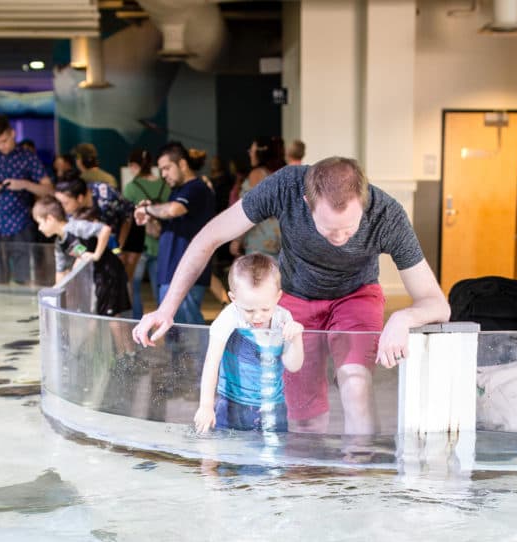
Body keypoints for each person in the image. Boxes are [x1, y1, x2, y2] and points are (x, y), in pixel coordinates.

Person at [133, 155, 450, 434]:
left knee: (355, 385)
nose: (339, 238)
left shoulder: (387, 215)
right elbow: (210, 236)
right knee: (304, 414)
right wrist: (167, 308)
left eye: (349, 229)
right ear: (306, 202)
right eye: (329, 229)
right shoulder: (285, 187)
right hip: (295, 296)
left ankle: (358, 481)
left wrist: (403, 317)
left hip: (356, 294)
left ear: (363, 203)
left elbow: (437, 304)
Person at [194, 254, 303, 434]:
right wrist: (205, 406)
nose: (258, 316)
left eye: (265, 309)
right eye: (249, 310)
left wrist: (296, 337)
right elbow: (211, 362)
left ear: (278, 297)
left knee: (272, 458)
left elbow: (293, 365)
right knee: (228, 455)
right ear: (233, 299)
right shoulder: (229, 317)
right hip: (231, 403)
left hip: (273, 405)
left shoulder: (283, 318)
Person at [133, 141, 215, 326]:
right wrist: (150, 217)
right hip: (170, 272)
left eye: (167, 168)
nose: (163, 174)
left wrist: (148, 210)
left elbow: (174, 210)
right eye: (161, 170)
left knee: (188, 332)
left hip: (186, 273)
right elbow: (161, 231)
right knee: (174, 334)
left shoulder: (196, 188)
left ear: (183, 164)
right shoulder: (176, 192)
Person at [0, 114, 53, 285]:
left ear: (12, 133)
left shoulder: (28, 157)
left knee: (23, 279)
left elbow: (48, 189)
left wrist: (25, 184)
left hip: (20, 226)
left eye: (4, 140)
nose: (1, 146)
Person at [32, 195, 130, 317]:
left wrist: (96, 255)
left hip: (108, 272)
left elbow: (104, 230)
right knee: (99, 315)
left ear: (50, 219)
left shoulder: (75, 227)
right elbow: (61, 271)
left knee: (112, 317)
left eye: (40, 223)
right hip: (96, 277)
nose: (39, 228)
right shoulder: (59, 243)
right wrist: (54, 293)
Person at [122, 147, 169, 319]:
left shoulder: (131, 187)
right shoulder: (165, 185)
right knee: (160, 288)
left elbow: (127, 219)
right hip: (162, 242)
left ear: (134, 166)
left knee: (133, 286)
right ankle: (163, 325)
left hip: (137, 246)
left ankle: (136, 325)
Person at [230, 136, 281, 260]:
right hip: (276, 237)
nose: (250, 154)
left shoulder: (256, 175)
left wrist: (237, 239)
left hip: (260, 239)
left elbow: (250, 209)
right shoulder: (274, 173)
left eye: (251, 150)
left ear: (259, 153)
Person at [54, 175, 133, 254]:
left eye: (65, 203)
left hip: (124, 231)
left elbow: (127, 217)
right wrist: (81, 257)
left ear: (80, 198)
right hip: (95, 245)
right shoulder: (68, 211)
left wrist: (119, 248)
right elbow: (72, 241)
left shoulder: (106, 195)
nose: (60, 208)